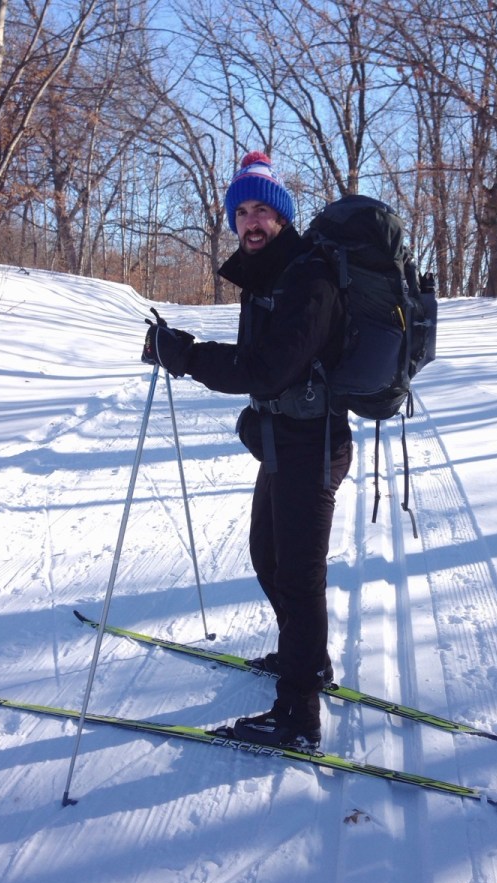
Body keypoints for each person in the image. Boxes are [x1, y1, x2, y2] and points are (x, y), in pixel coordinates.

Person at [141, 151, 352, 750]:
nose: (252, 222)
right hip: (284, 442)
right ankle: (305, 658)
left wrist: (185, 356)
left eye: (263, 210)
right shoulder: (269, 274)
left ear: (282, 217)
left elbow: (265, 368)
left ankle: (298, 715)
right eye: (242, 212)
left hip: (314, 445)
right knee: (268, 557)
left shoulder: (308, 277)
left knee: (300, 578)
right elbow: (262, 366)